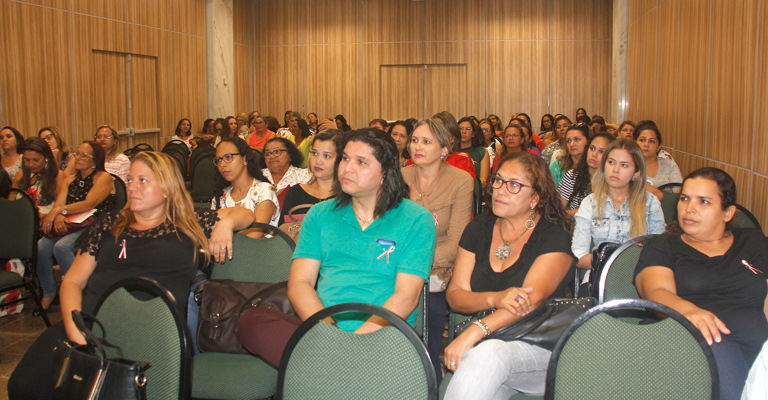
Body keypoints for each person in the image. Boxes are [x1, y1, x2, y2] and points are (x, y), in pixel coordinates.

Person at [7, 151, 254, 400]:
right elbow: (73, 280)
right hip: (92, 325)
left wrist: (226, 224)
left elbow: (248, 214)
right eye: (130, 180)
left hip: (154, 332)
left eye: (143, 181)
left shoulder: (188, 224)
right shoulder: (109, 224)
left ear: (167, 188)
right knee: (23, 386)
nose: (132, 188)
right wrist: (75, 329)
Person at [238, 128, 437, 368]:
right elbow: (300, 284)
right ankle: (337, 365)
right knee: (252, 321)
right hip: (322, 331)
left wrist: (354, 343)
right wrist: (330, 334)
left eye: (361, 162)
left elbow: (407, 296)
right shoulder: (320, 215)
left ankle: (331, 366)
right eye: (345, 158)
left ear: (385, 172)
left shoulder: (416, 219)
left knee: (312, 360)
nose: (347, 168)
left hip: (384, 335)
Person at [443, 152, 575, 399]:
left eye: (514, 185)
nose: (501, 191)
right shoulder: (479, 228)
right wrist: (494, 299)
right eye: (498, 181)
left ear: (535, 198)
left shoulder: (553, 235)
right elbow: (455, 296)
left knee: (488, 354)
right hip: (487, 351)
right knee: (482, 374)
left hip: (542, 348)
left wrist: (476, 330)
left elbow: (529, 301)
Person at [634, 168, 768, 400]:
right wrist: (688, 311)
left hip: (757, 344)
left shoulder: (753, 241)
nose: (689, 208)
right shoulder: (664, 246)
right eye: (684, 198)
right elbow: (656, 292)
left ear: (728, 213)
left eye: (703, 201)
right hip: (694, 341)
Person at [402, 119, 474, 380]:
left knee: (429, 310)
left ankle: (429, 372)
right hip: (396, 264)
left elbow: (456, 243)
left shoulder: (461, 181)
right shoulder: (397, 177)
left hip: (438, 268)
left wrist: (412, 263)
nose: (417, 146)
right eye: (414, 140)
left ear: (444, 150)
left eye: (426, 141)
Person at [37, 141, 116, 315]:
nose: (77, 158)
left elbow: (89, 204)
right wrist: (58, 214)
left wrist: (60, 211)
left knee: (62, 247)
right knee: (42, 246)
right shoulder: (70, 179)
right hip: (73, 222)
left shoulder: (103, 177)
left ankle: (81, 292)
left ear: (94, 160)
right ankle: (49, 292)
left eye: (83, 155)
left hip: (98, 223)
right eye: (77, 154)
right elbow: (59, 203)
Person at [571, 139, 666, 273]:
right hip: (600, 274)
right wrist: (610, 261)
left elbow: (660, 250)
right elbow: (577, 256)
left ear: (636, 173)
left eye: (624, 165)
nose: (615, 170)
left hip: (639, 276)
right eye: (611, 162)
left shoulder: (650, 203)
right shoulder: (590, 203)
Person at [212, 137, 280, 231]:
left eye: (228, 157)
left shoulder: (264, 191)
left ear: (245, 159)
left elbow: (255, 235)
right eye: (219, 160)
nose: (222, 164)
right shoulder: (220, 197)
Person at [280, 130, 341, 224]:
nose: (318, 161)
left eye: (327, 156)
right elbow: (282, 232)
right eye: (315, 153)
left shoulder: (347, 197)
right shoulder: (296, 193)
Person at [558, 133, 615, 215]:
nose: (594, 154)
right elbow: (557, 212)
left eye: (601, 151)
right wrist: (581, 212)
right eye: (592, 148)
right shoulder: (572, 176)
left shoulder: (613, 181)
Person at [11, 138, 67, 214]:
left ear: (46, 158)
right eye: (27, 160)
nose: (31, 164)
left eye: (36, 160)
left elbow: (62, 206)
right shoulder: (20, 174)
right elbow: (10, 203)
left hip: (47, 220)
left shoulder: (58, 176)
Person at [634, 122, 682, 201]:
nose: (646, 144)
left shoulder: (669, 165)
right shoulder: (629, 166)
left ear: (659, 147)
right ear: (635, 143)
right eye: (642, 140)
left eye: (652, 141)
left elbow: (679, 192)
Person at [550, 123, 589, 189]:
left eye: (577, 139)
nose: (572, 144)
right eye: (568, 141)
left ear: (588, 141)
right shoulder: (557, 166)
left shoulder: (593, 165)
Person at [458, 117, 490, 187]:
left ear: (473, 133)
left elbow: (483, 181)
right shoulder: (450, 151)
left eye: (468, 129)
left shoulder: (481, 152)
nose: (464, 131)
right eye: (461, 128)